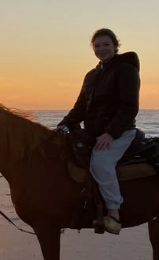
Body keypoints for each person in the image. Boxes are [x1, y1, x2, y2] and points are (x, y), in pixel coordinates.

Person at [57, 28, 140, 235]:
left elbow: (129, 107)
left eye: (106, 45)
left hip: (120, 132)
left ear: (115, 46)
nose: (101, 49)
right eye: (97, 46)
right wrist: (63, 125)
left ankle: (113, 213)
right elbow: (80, 107)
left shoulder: (126, 70)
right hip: (94, 132)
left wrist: (111, 133)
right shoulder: (91, 75)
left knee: (101, 162)